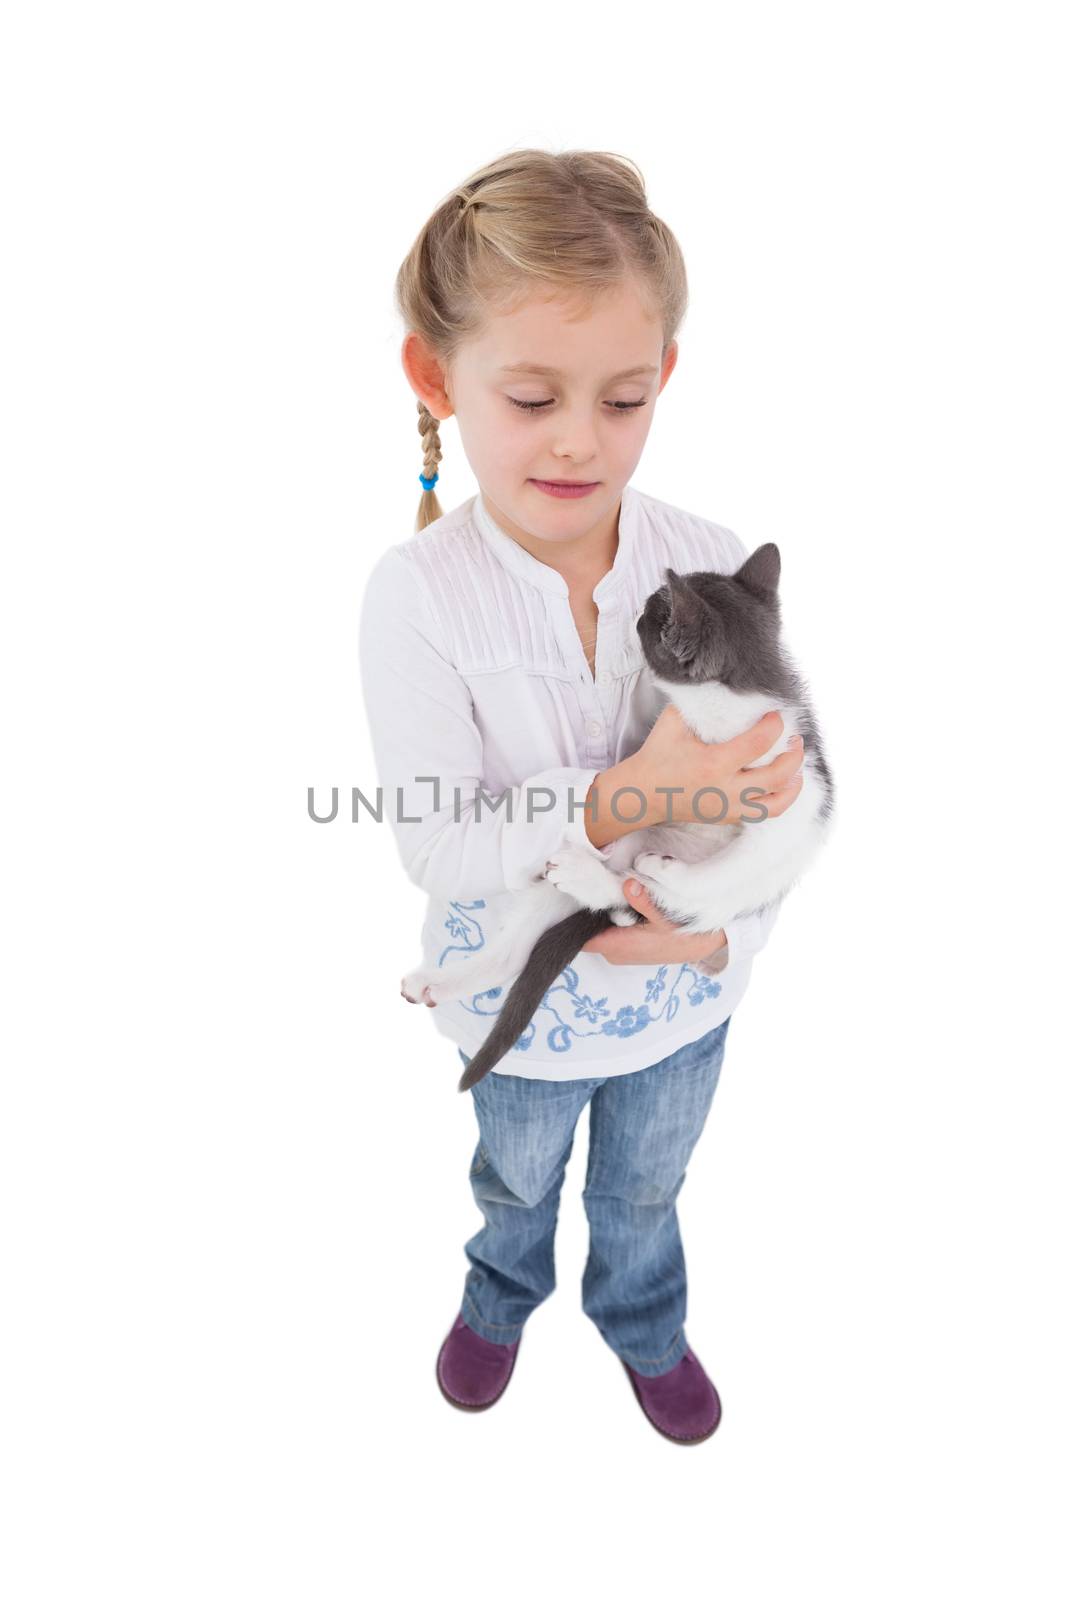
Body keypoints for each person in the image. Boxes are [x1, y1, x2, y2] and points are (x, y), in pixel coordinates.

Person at [358, 148, 806, 1444]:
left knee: (647, 1191)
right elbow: (438, 846)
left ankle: (644, 1318)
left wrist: (728, 935)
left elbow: (783, 805)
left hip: (687, 997)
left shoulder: (714, 559)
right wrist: (627, 796)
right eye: (532, 394)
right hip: (518, 1005)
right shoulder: (420, 594)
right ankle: (500, 1293)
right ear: (437, 380)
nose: (578, 440)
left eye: (621, 399)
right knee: (514, 1177)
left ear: (664, 373)